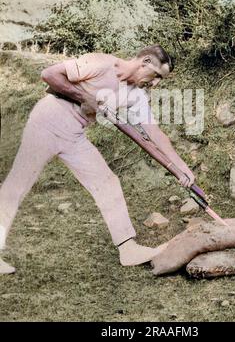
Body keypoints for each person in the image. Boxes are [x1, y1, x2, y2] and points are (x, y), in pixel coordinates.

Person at [0, 45, 195, 274]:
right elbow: (50, 75)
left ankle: (128, 249)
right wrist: (84, 96)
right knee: (17, 185)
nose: (155, 84)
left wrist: (182, 168)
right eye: (156, 76)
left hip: (74, 134)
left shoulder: (137, 95)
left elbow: (155, 134)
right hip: (47, 120)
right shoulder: (101, 63)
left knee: (107, 182)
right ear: (145, 62)